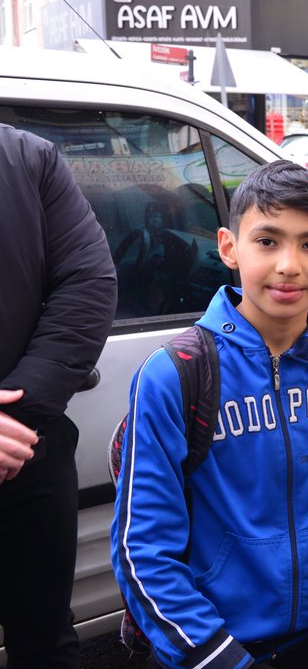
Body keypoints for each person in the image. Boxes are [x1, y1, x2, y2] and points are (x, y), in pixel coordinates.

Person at [111, 160, 308, 669]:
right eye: (267, 241)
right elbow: (143, 551)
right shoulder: (177, 373)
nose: (289, 264)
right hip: (211, 649)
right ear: (228, 247)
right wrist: (220, 658)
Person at [0, 124, 117, 669]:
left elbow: (88, 283)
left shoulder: (27, 158)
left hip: (29, 454)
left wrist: (17, 418)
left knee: (46, 640)